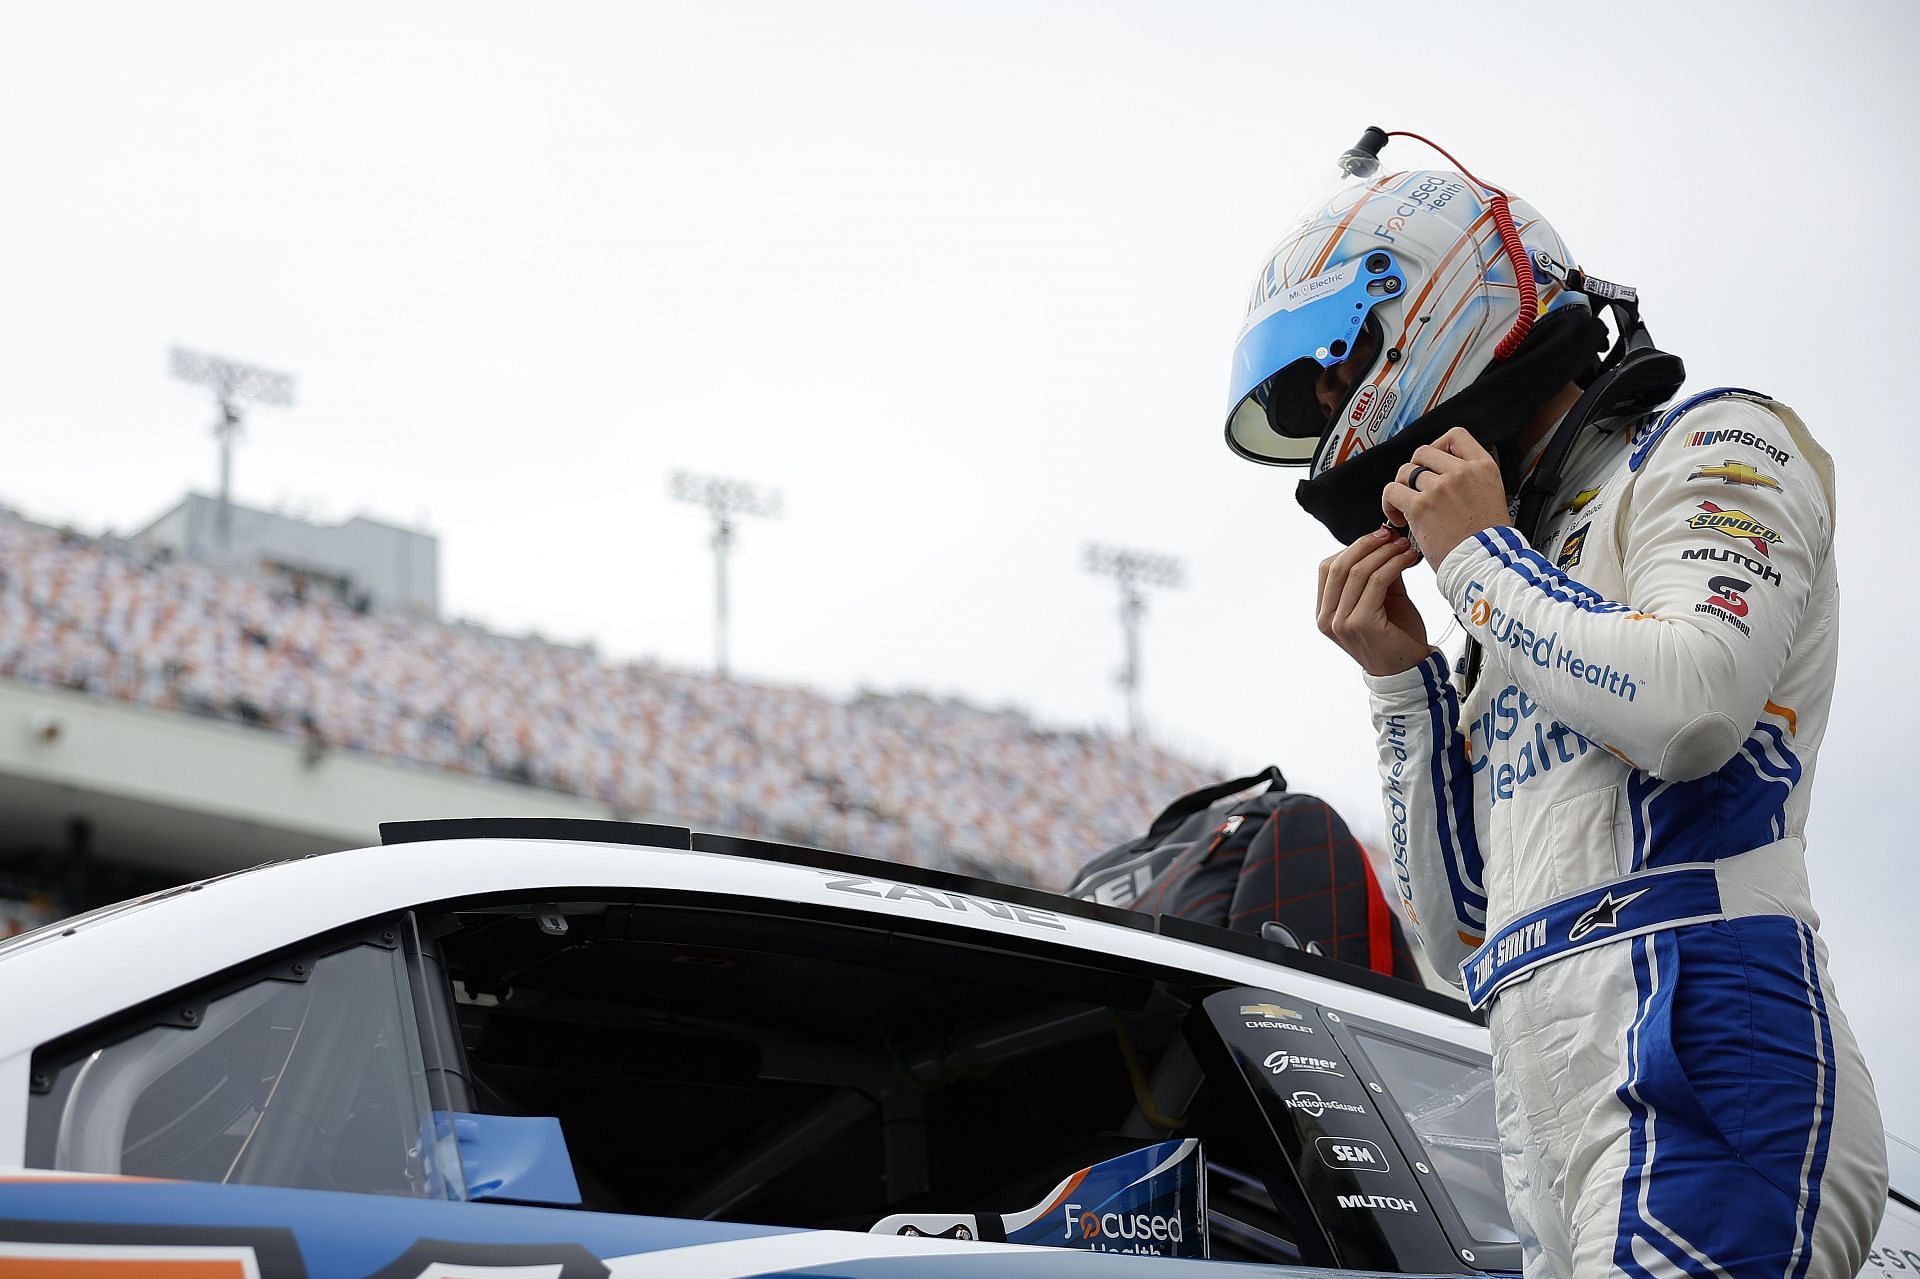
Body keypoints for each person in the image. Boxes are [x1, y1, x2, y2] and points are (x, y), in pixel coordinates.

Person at [1223, 128, 1887, 1277]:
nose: (1334, 403)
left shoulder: (1715, 440)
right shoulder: (1513, 585)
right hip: (1547, 1091)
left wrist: (1477, 562)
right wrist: (1402, 682)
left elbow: (1693, 707)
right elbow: (1467, 932)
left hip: (1708, 1040)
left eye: (1338, 360)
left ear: (1430, 302)